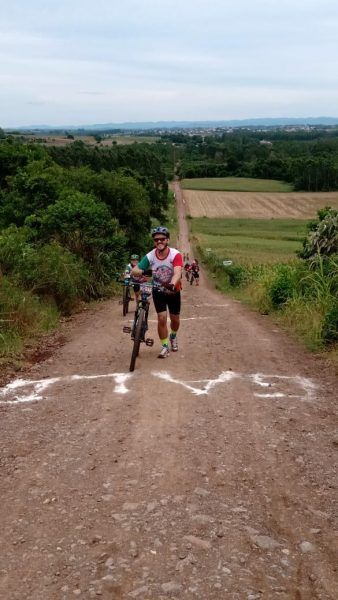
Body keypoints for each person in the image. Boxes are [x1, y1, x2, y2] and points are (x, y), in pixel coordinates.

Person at [131, 226, 183, 358]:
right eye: (156, 240)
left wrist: (172, 284)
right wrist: (144, 271)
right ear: (154, 242)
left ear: (167, 240)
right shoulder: (150, 256)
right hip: (158, 291)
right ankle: (165, 346)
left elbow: (177, 272)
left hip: (173, 291)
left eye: (162, 239)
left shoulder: (175, 254)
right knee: (161, 318)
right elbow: (134, 270)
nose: (159, 242)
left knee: (175, 320)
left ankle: (173, 336)